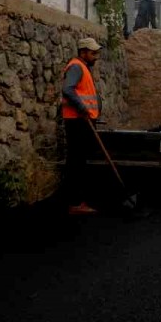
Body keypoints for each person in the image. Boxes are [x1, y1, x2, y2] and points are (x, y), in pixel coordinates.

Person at [62, 37, 103, 216]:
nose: (96, 56)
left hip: (83, 120)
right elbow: (67, 89)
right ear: (83, 52)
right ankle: (75, 202)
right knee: (76, 162)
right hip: (77, 121)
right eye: (92, 53)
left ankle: (78, 200)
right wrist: (81, 108)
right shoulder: (77, 67)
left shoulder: (83, 67)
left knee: (79, 161)